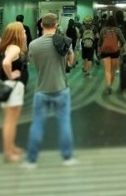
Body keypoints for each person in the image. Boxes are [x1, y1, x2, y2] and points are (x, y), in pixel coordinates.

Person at [22, 13, 77, 169]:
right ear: (57, 24)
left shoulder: (33, 45)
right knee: (64, 123)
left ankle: (31, 160)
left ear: (41, 25)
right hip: (61, 87)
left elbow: (30, 60)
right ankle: (67, 158)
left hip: (41, 89)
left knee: (37, 124)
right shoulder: (65, 42)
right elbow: (70, 63)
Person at [0, 21, 29, 163]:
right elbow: (6, 63)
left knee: (11, 120)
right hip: (14, 87)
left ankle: (11, 147)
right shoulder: (15, 48)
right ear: (17, 33)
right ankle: (8, 152)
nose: (24, 33)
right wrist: (11, 75)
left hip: (9, 86)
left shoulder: (9, 47)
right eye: (22, 31)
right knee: (10, 121)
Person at [99, 16, 126, 94]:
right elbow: (123, 41)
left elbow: (99, 42)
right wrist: (120, 48)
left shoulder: (103, 30)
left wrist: (99, 50)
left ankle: (108, 85)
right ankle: (110, 85)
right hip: (115, 52)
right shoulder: (117, 30)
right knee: (113, 70)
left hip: (105, 52)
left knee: (107, 70)